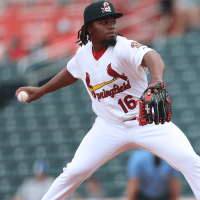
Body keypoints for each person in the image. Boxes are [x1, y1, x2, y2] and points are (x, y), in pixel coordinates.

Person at [15, 1, 200, 200]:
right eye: (103, 22)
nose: (111, 25)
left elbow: (152, 56)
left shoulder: (123, 47)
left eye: (112, 21)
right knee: (74, 172)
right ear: (89, 28)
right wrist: (40, 91)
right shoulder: (83, 55)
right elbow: (69, 73)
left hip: (145, 122)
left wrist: (157, 81)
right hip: (108, 127)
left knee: (190, 161)